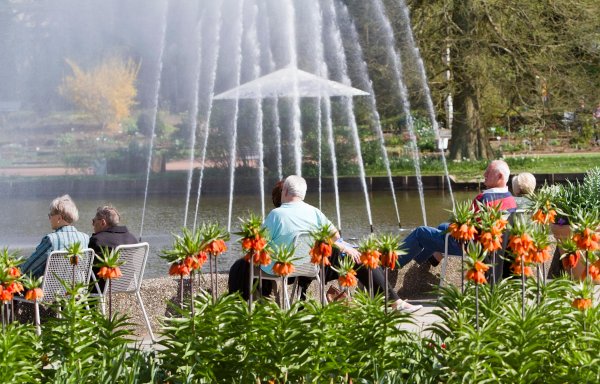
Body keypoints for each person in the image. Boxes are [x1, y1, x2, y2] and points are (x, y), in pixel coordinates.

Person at [261, 175, 422, 312]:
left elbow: (262, 244)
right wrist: (344, 247)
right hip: (312, 267)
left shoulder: (275, 215)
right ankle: (395, 301)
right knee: (359, 259)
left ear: (285, 191)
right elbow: (334, 235)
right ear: (302, 194)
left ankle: (260, 306)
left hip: (282, 269)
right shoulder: (314, 212)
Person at [400, 160, 517, 268]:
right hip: (491, 247)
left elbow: (465, 227)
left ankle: (393, 264)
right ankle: (425, 261)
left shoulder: (484, 199)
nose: (484, 175)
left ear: (500, 176)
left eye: (488, 172)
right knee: (443, 227)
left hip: (470, 247)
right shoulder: (510, 198)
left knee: (421, 232)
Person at [21, 195, 90, 278]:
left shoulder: (51, 239)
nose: (49, 218)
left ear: (59, 218)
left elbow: (27, 269)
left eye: (50, 215)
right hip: (78, 289)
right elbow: (76, 264)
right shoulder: (85, 238)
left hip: (52, 290)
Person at [89, 205, 139, 293]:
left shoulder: (98, 240)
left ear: (103, 222)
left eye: (94, 221)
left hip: (102, 288)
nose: (92, 224)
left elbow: (88, 267)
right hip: (126, 284)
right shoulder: (132, 238)